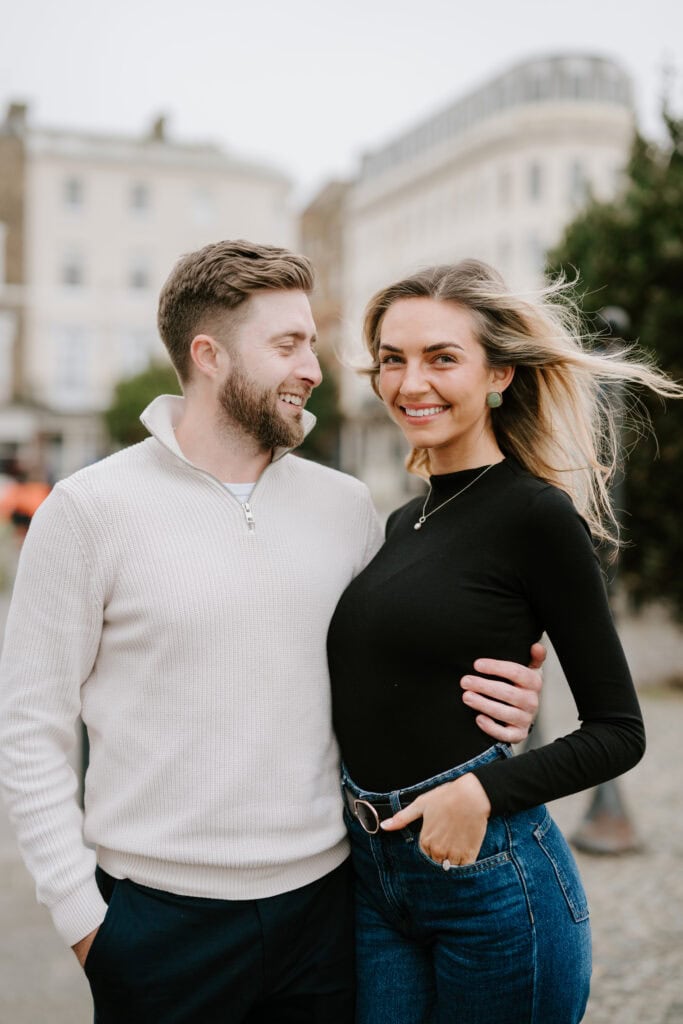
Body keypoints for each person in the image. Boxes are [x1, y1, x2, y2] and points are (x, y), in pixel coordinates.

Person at [0, 241, 541, 1024]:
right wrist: (86, 925)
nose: (314, 368)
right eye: (287, 344)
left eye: (311, 345)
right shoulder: (87, 512)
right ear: (209, 355)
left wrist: (499, 703)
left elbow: (394, 674)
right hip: (157, 927)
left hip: (329, 913)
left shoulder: (348, 506)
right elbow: (30, 727)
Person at [327, 259, 682, 1024]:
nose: (409, 382)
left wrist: (480, 791)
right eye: (393, 359)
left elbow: (618, 732)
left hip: (492, 882)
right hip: (375, 878)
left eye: (440, 358)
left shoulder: (535, 517)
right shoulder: (399, 523)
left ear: (499, 376)